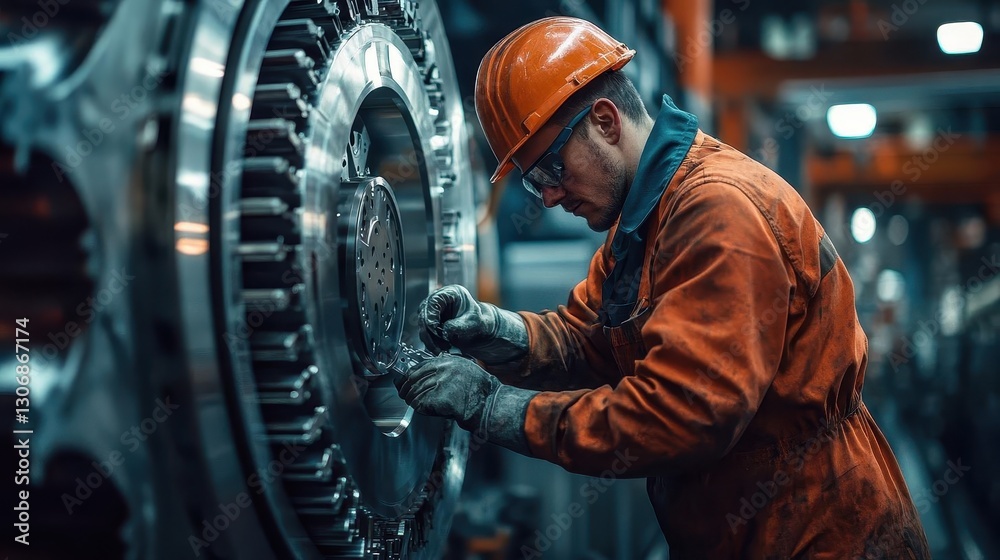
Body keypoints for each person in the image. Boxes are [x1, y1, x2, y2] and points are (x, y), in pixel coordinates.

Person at [395, 16, 930, 559]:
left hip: (818, 532)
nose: (549, 196)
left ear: (605, 121)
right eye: (535, 181)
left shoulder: (717, 211)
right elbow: (588, 339)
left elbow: (681, 416)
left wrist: (495, 408)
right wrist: (493, 330)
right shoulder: (643, 224)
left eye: (553, 167)